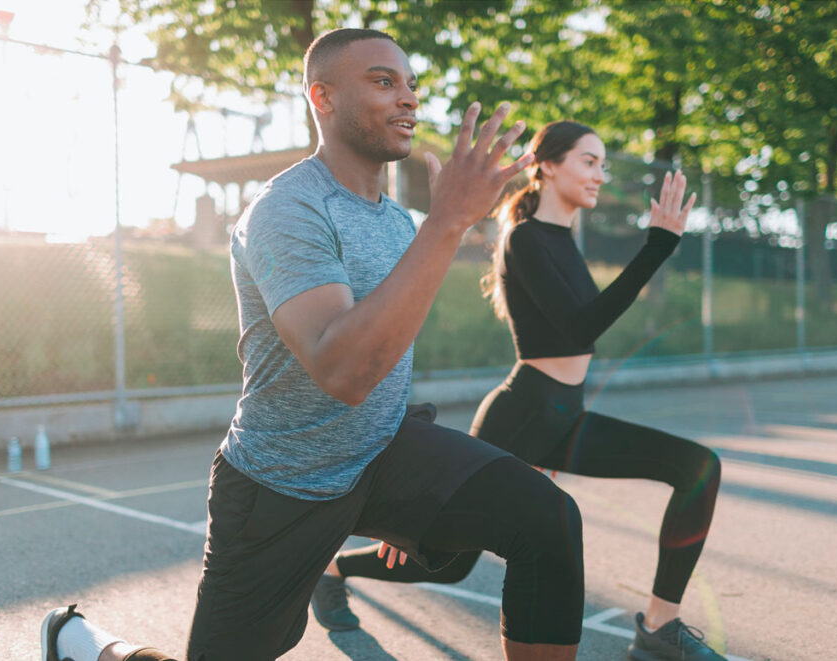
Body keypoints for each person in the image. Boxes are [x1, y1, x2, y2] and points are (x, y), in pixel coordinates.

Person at [41, 29, 589, 661]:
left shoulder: (393, 220)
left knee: (547, 520)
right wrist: (447, 222)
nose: (407, 98)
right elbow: (343, 369)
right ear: (322, 97)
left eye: (411, 84)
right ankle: (86, 645)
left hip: (381, 451)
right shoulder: (286, 209)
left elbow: (385, 349)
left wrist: (414, 489)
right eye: (384, 82)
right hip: (284, 481)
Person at [310, 121, 727, 661]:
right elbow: (580, 329)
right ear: (548, 165)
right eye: (589, 161)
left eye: (603, 163)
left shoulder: (561, 239)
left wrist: (657, 247)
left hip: (566, 416)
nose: (600, 174)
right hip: (522, 414)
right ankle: (331, 568)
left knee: (698, 467)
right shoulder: (525, 239)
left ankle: (658, 626)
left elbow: (578, 330)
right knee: (450, 560)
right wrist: (657, 248)